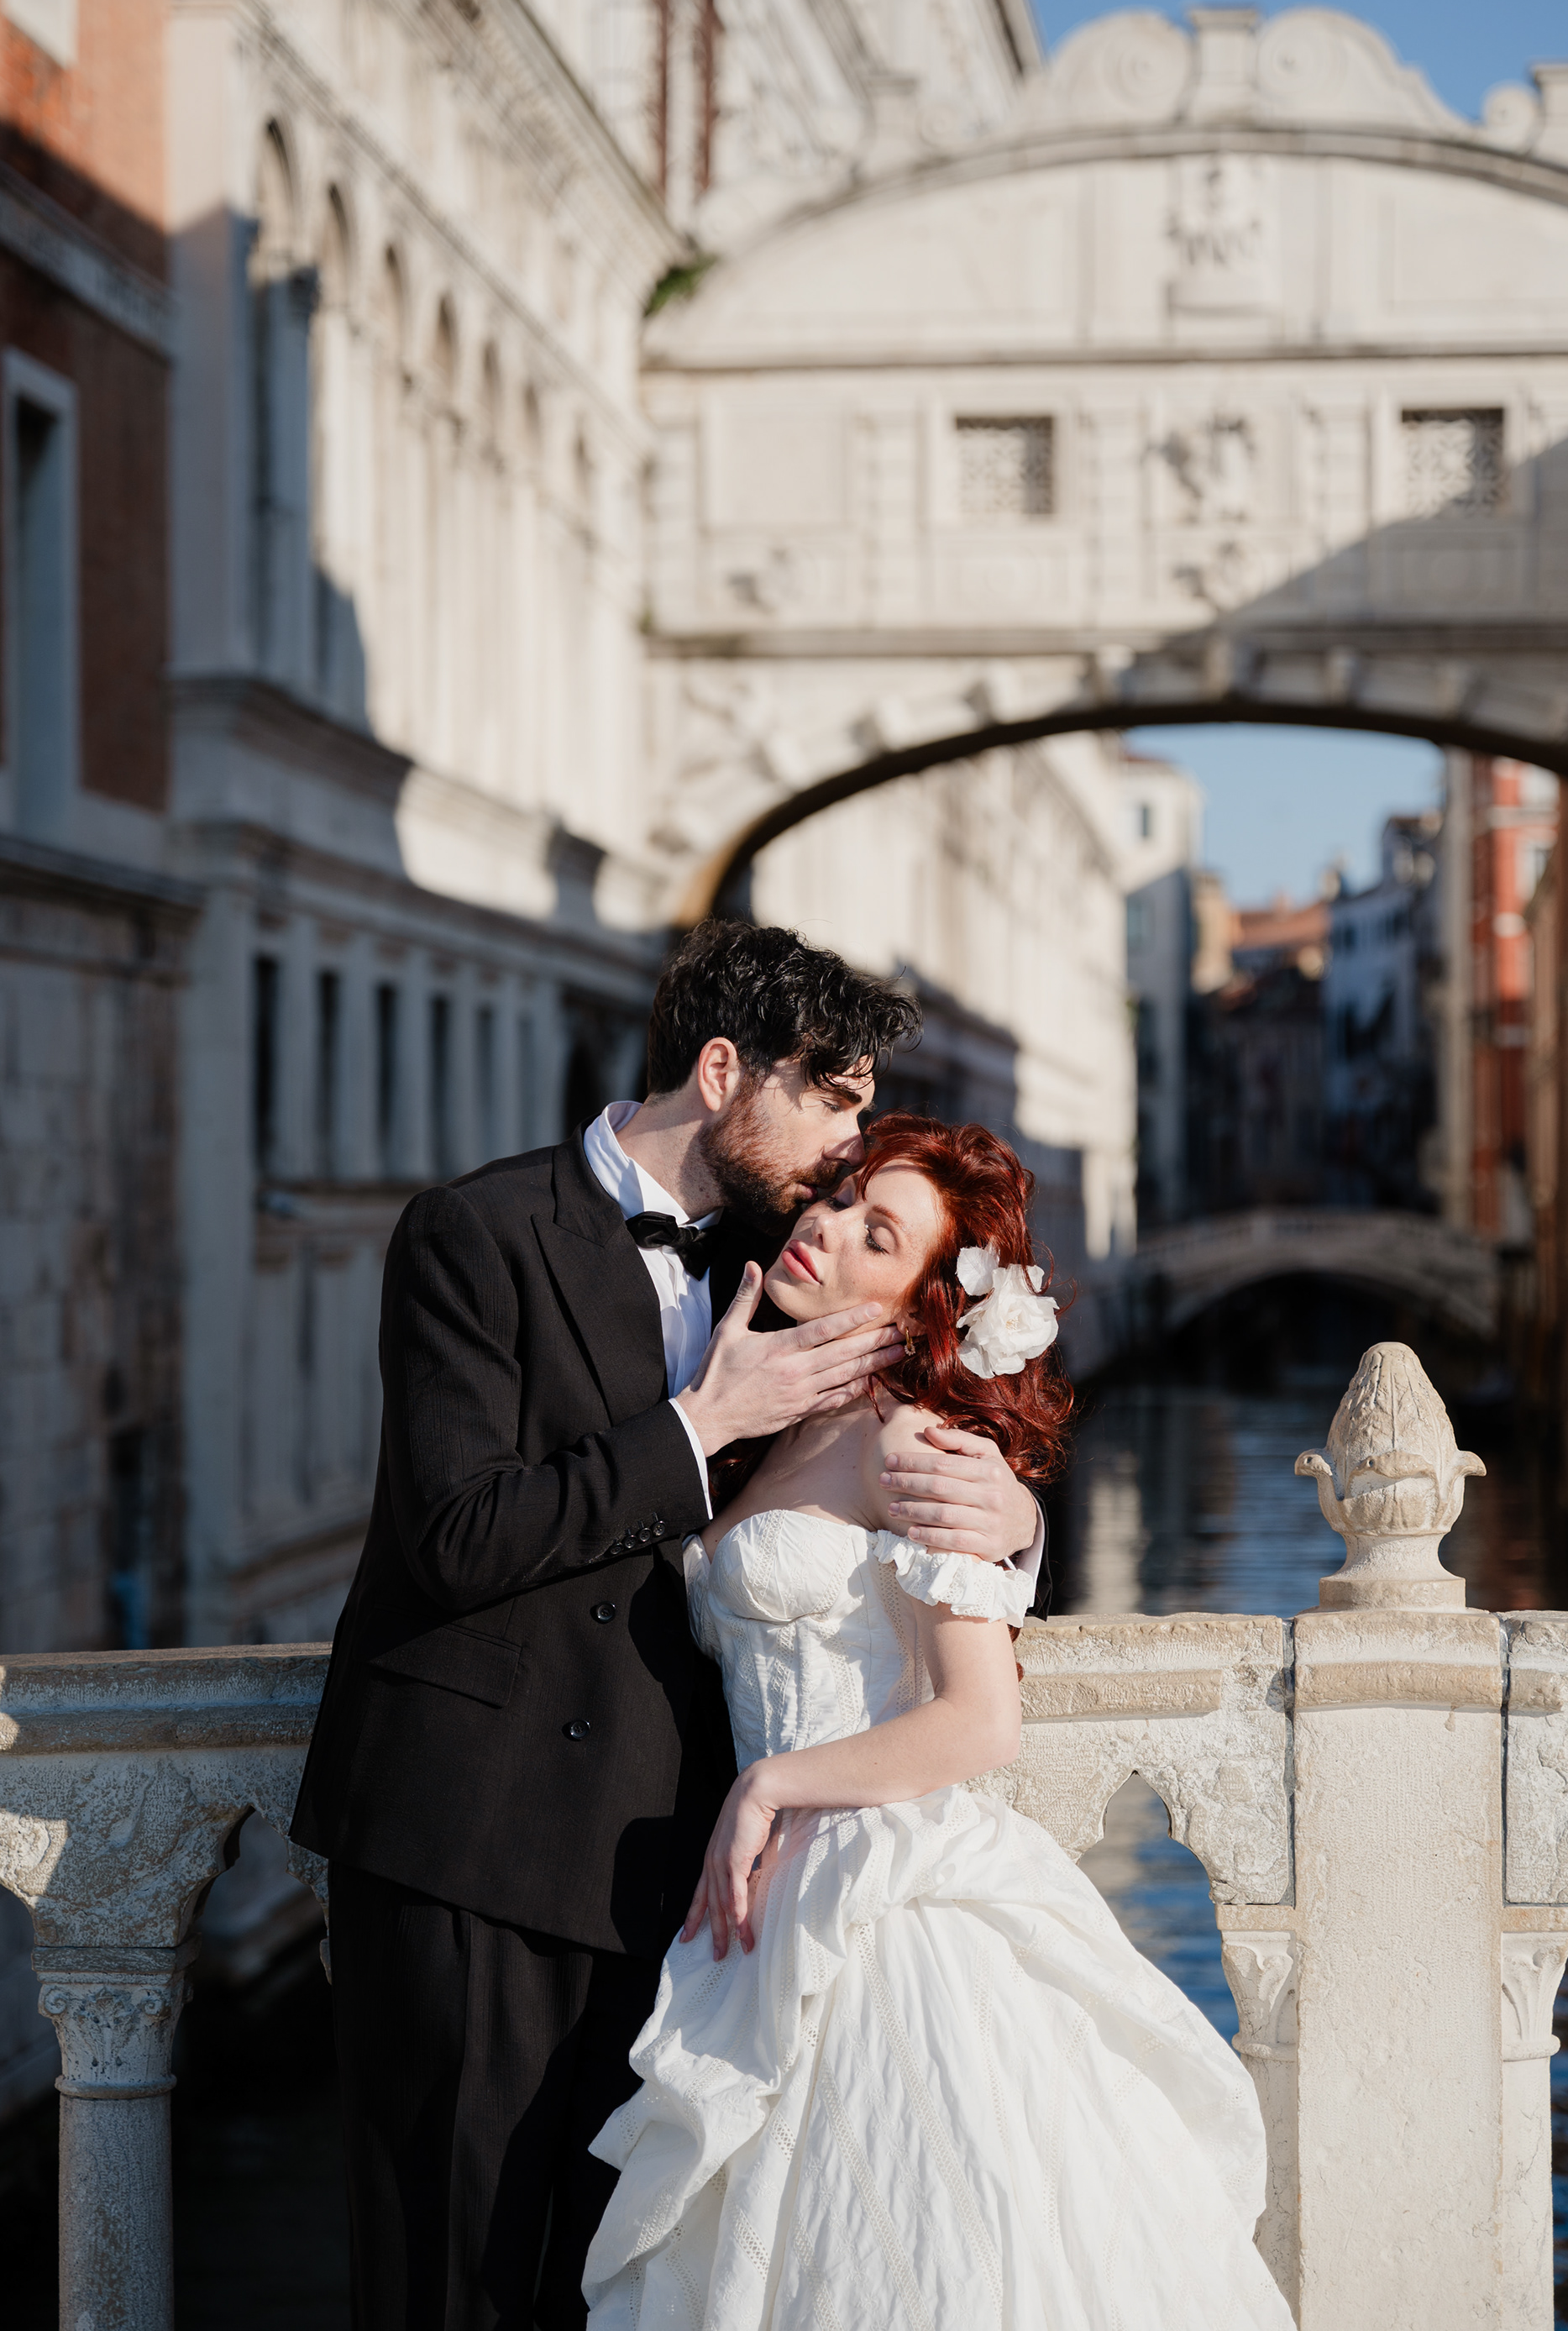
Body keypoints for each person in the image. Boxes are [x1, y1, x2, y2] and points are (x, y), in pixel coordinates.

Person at [290, 920, 1045, 2329]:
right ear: (721, 1072)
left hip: (684, 1892)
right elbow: (453, 1536)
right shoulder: (475, 1233)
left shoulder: (798, 1249)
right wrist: (705, 1425)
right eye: (834, 1096)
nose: (849, 1143)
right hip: (474, 1852)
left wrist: (1015, 1523)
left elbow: (909, 1457)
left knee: (621, 2289)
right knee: (449, 2284)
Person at [583, 1114, 1296, 2331]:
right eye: (842, 1197)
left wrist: (773, 1787)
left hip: (879, 1902)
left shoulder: (910, 1441)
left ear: (923, 1303)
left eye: (878, 1235)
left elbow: (979, 1723)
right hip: (755, 1917)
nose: (824, 1227)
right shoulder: (772, 1418)